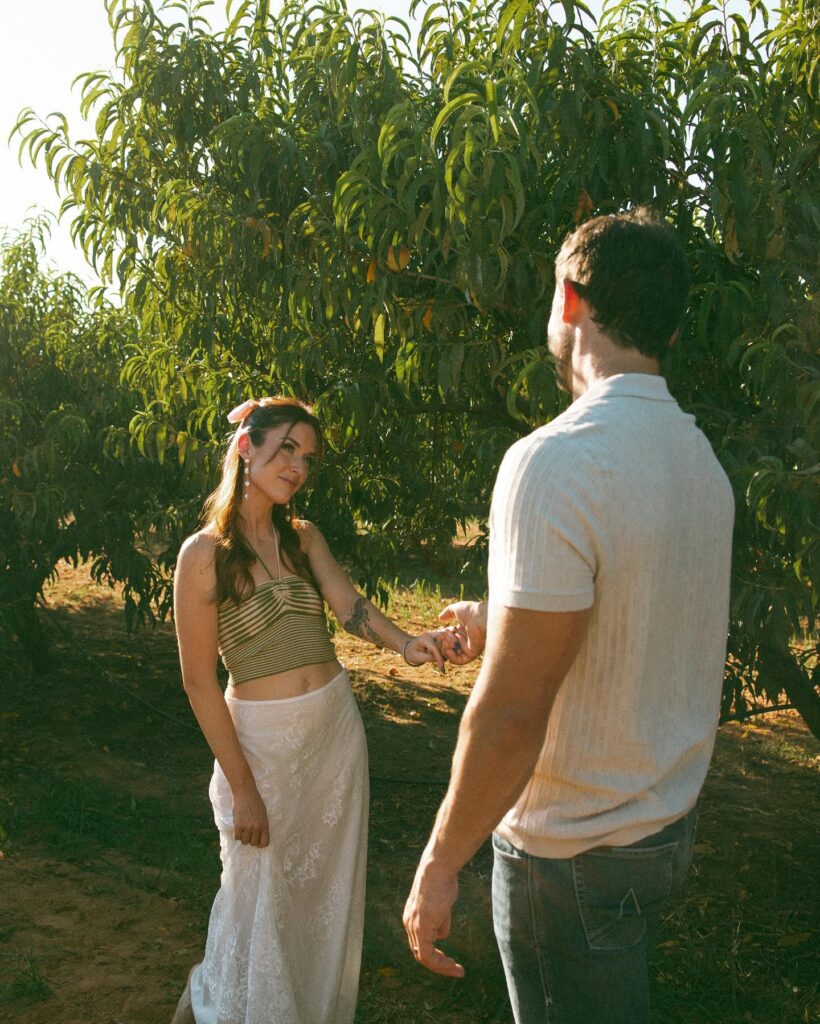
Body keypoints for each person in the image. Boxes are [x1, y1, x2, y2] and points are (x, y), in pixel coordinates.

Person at [403, 207, 735, 1024]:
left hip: (572, 856)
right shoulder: (699, 460)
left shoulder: (555, 458)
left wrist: (442, 861)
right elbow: (637, 607)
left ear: (569, 298)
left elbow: (514, 714)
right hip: (660, 829)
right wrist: (501, 617)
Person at [171, 396, 445, 1024]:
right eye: (286, 449)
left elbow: (349, 605)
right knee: (251, 905)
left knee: (318, 903)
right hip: (262, 752)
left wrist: (408, 644)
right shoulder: (202, 555)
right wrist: (242, 788)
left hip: (333, 740)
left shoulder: (303, 537)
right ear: (247, 447)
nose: (297, 467)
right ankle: (207, 1008)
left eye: (308, 458)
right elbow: (197, 682)